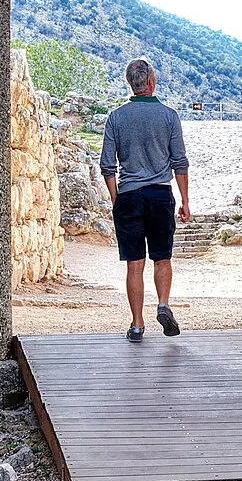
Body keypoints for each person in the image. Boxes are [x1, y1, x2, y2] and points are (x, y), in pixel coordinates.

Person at [99, 58, 191, 342]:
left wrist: (117, 199)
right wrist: (185, 201)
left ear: (131, 83)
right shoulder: (169, 116)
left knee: (134, 263)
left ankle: (137, 324)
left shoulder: (116, 118)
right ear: (151, 82)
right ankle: (163, 304)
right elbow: (180, 162)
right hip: (160, 195)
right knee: (162, 258)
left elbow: (106, 166)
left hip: (129, 195)